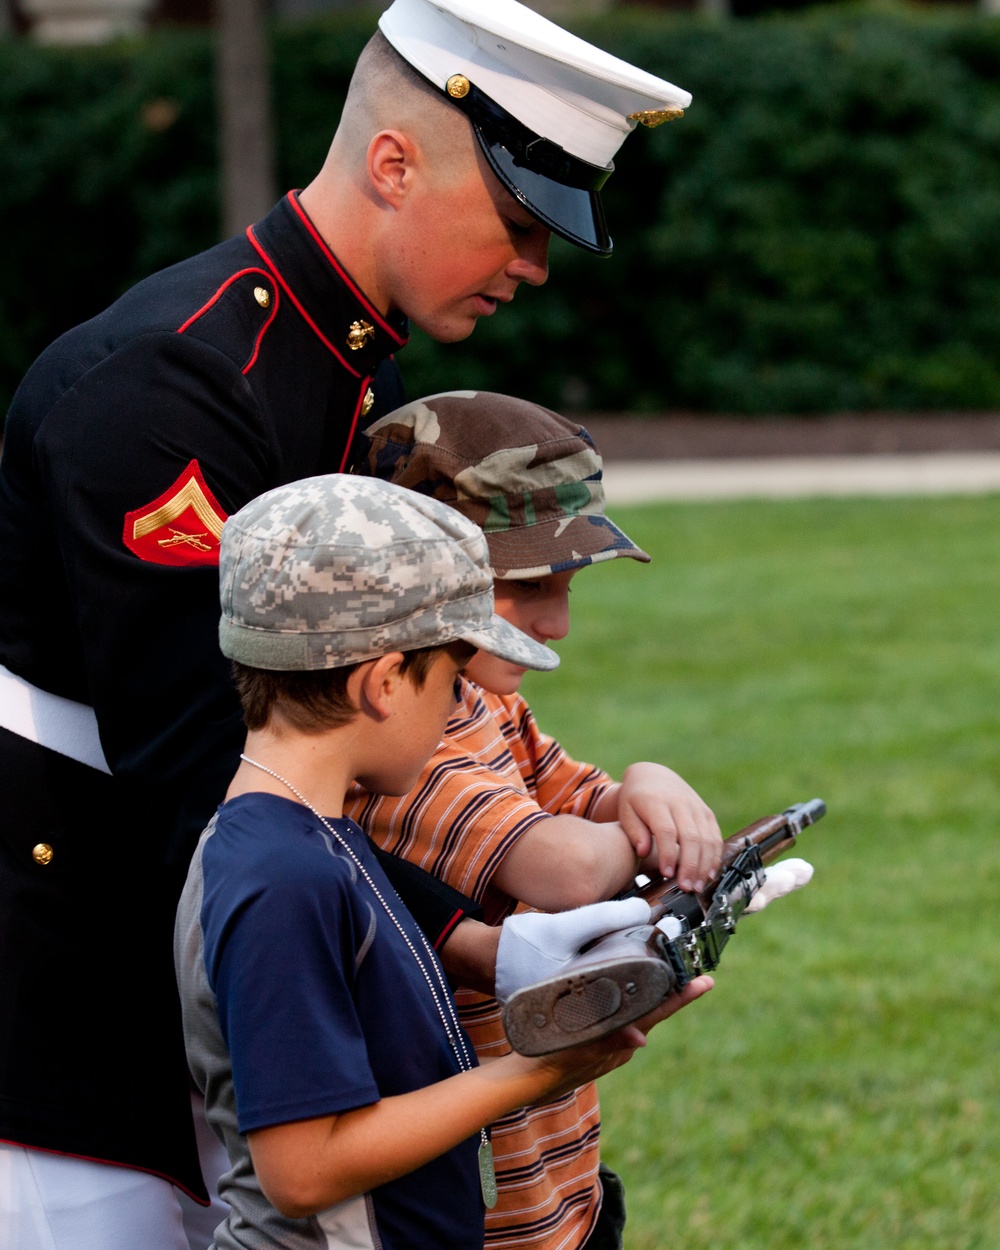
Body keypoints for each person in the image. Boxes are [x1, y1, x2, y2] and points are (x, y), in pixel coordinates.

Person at [0, 0, 695, 1242]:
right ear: (393, 163)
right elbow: (210, 773)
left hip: (199, 958)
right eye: (521, 222)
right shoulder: (170, 385)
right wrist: (478, 944)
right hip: (64, 1000)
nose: (533, 266)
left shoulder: (333, 363)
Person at [173, 471, 713, 1250]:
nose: (464, 710)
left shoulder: (313, 836)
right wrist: (540, 1069)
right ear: (385, 682)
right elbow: (302, 1169)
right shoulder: (281, 879)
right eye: (454, 681)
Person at [349, 391, 808, 1249]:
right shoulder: (391, 747)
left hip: (559, 1181)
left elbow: (585, 800)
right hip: (479, 1212)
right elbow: (562, 866)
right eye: (526, 586)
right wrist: (648, 830)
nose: (557, 625)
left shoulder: (481, 706)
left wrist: (646, 780)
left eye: (565, 585)